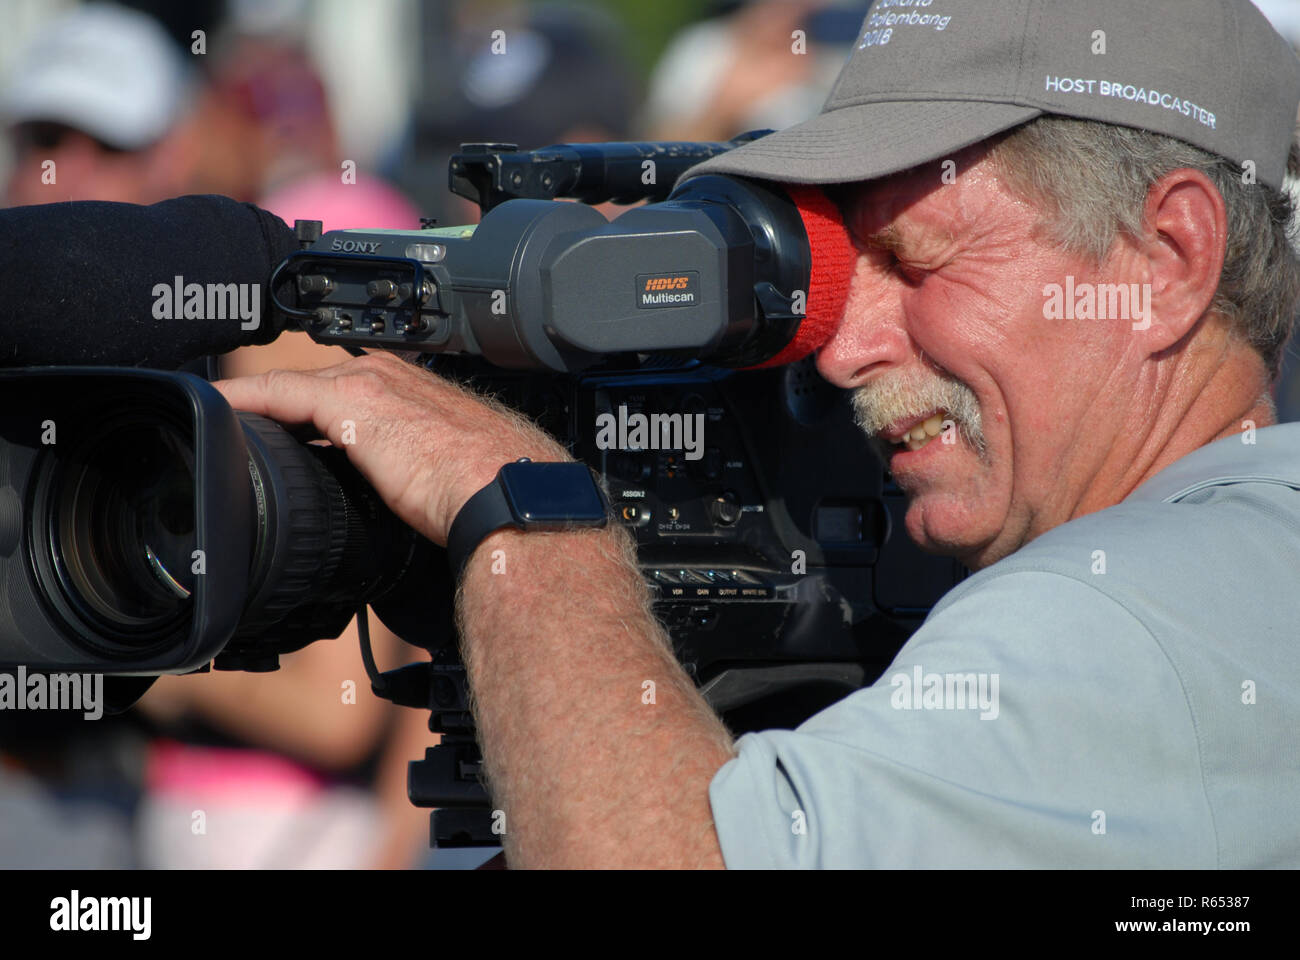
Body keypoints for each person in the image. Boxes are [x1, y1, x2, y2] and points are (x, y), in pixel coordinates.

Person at [212, 0, 1300, 867]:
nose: (842, 348)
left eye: (920, 262)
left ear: (1165, 262)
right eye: (842, 270)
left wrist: (524, 510)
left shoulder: (1115, 612)